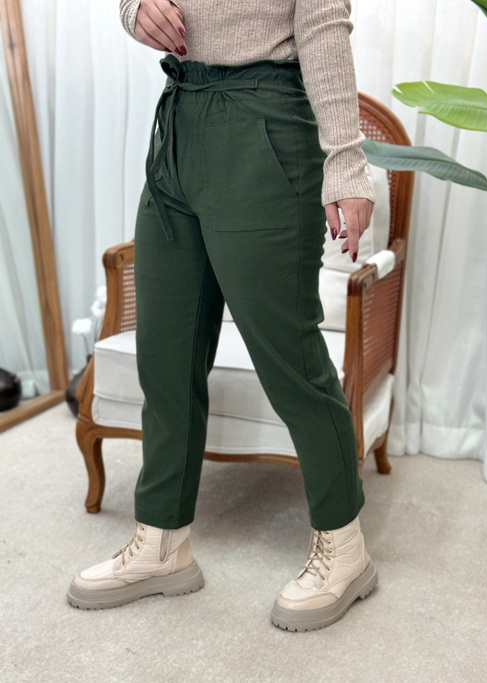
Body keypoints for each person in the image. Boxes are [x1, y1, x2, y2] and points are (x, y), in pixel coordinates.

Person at [67, 0, 379, 632]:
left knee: (288, 357)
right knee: (166, 352)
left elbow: (323, 23)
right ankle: (162, 542)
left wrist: (346, 162)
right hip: (180, 116)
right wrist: (134, 9)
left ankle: (345, 547)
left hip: (265, 121)